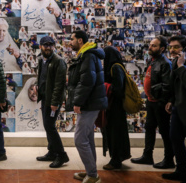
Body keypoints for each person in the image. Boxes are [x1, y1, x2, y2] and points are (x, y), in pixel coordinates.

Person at [68, 30, 107, 183]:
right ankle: (91, 171)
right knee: (88, 138)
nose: (70, 42)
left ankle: (93, 175)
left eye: (72, 39)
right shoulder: (86, 54)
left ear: (79, 41)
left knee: (79, 139)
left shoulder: (88, 55)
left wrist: (78, 102)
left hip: (89, 104)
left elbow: (87, 81)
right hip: (90, 103)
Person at [131, 36, 174, 169]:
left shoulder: (165, 63)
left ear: (162, 48)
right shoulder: (153, 61)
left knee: (165, 131)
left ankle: (169, 160)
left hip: (159, 103)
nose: (150, 47)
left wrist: (162, 102)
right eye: (150, 44)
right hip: (151, 102)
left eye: (154, 45)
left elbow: (167, 85)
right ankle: (147, 156)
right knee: (149, 128)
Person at [35, 36, 69, 168]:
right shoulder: (41, 60)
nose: (48, 47)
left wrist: (54, 103)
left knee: (50, 126)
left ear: (54, 46)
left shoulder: (58, 61)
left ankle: (62, 155)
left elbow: (59, 85)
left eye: (50, 45)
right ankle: (52, 152)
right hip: (45, 98)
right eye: (45, 45)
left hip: (53, 101)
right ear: (40, 47)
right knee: (47, 126)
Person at [162, 35, 186, 181]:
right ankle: (181, 170)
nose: (172, 50)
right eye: (171, 47)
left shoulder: (181, 63)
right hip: (178, 107)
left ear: (184, 48)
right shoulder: (175, 61)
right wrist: (171, 100)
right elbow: (175, 84)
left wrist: (181, 66)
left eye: (176, 47)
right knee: (175, 138)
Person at [102, 46, 131, 170]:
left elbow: (118, 89)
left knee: (115, 133)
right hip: (113, 106)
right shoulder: (116, 66)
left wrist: (105, 87)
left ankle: (116, 160)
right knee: (114, 133)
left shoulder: (116, 67)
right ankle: (116, 157)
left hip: (115, 107)